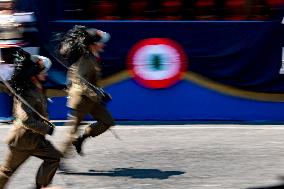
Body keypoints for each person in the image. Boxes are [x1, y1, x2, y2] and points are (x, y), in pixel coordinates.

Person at [0, 50, 61, 189]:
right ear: (33, 75)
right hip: (22, 141)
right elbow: (26, 120)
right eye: (43, 71)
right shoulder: (26, 94)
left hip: (37, 140)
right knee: (6, 172)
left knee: (54, 157)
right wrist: (46, 128)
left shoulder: (36, 88)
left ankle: (41, 186)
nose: (46, 73)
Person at [59, 25, 115, 157]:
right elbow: (81, 82)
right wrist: (99, 94)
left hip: (91, 97)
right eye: (100, 43)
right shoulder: (85, 59)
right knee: (72, 131)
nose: (103, 45)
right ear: (93, 45)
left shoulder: (92, 56)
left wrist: (99, 93)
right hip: (81, 98)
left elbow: (90, 81)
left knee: (107, 121)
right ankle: (58, 160)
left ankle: (81, 139)